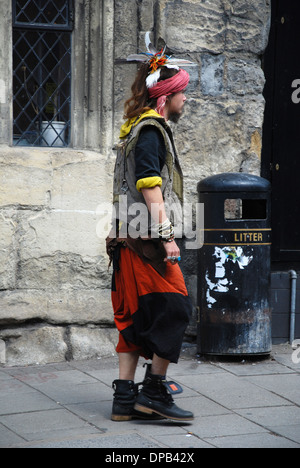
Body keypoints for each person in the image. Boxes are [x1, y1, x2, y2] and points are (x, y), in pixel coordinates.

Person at [106, 34, 194, 422]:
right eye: (182, 93)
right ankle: (154, 391)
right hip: (145, 241)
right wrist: (168, 237)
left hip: (127, 238)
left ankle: (125, 398)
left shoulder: (135, 128)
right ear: (165, 97)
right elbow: (149, 186)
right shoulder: (151, 131)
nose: (185, 100)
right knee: (175, 308)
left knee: (131, 315)